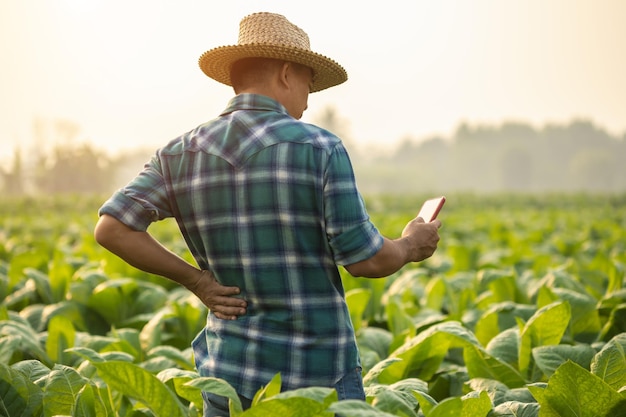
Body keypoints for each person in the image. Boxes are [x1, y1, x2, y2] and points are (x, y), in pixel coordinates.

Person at [94, 11, 441, 416]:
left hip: (227, 376)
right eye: (310, 83)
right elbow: (367, 261)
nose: (309, 99)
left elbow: (112, 229)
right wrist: (410, 244)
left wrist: (197, 281)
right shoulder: (321, 148)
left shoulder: (179, 152)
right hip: (317, 381)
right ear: (287, 73)